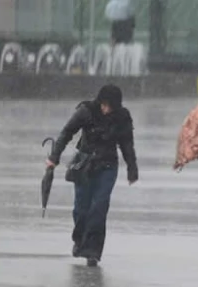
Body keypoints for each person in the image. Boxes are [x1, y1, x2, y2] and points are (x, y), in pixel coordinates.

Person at [46, 85, 138, 267]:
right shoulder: (86, 111)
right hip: (84, 165)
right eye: (104, 105)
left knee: (99, 207)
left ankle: (93, 251)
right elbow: (67, 133)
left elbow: (127, 144)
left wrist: (132, 169)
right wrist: (54, 158)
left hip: (108, 166)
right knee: (81, 209)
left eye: (110, 106)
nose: (106, 109)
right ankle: (80, 240)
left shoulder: (122, 118)